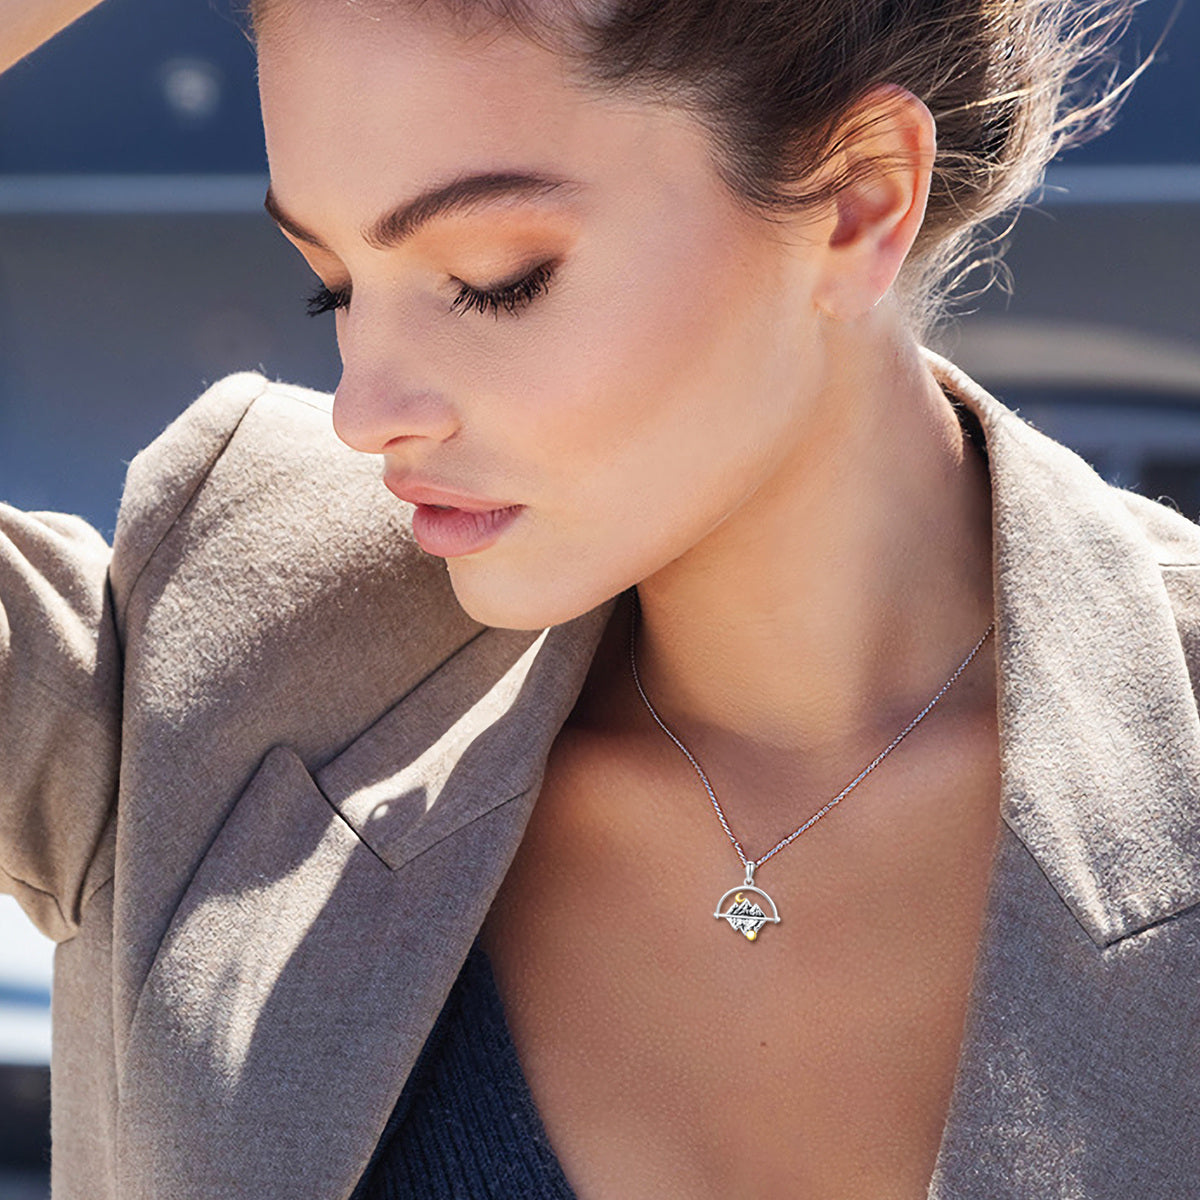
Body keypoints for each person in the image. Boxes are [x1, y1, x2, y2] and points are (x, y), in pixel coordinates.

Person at [2, 0, 1198, 1197]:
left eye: (491, 281)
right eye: (334, 288)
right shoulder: (227, 631)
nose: (367, 409)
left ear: (858, 199)